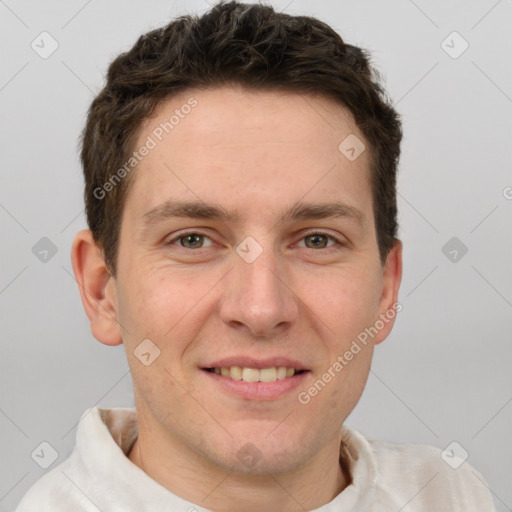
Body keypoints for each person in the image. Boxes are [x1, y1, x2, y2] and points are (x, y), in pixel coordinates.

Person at [16, 1, 495, 510]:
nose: (261, 309)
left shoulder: (452, 495)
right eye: (193, 240)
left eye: (316, 240)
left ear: (385, 288)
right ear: (101, 289)